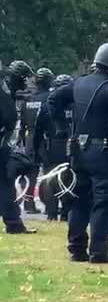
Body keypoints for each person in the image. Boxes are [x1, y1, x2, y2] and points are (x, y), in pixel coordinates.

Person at [48, 43, 108, 261]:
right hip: (103, 151)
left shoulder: (77, 83)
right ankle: (98, 251)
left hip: (77, 150)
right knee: (104, 200)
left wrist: (62, 129)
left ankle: (76, 249)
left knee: (79, 199)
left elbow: (53, 100)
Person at [32, 74, 75, 221]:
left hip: (51, 147)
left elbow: (37, 129)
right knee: (70, 179)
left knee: (50, 180)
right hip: (71, 147)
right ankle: (65, 213)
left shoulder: (47, 105)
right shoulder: (77, 105)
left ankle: (51, 214)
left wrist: (36, 151)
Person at [0, 60, 33, 234]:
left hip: (3, 144)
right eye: (24, 79)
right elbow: (8, 118)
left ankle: (14, 222)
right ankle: (13, 223)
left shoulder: (7, 91)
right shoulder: (4, 93)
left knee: (6, 184)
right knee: (6, 184)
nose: (26, 83)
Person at [18, 67, 55, 212]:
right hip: (45, 139)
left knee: (30, 174)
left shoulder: (28, 99)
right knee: (48, 173)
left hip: (29, 138)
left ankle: (28, 204)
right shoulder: (49, 97)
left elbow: (23, 122)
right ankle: (49, 204)